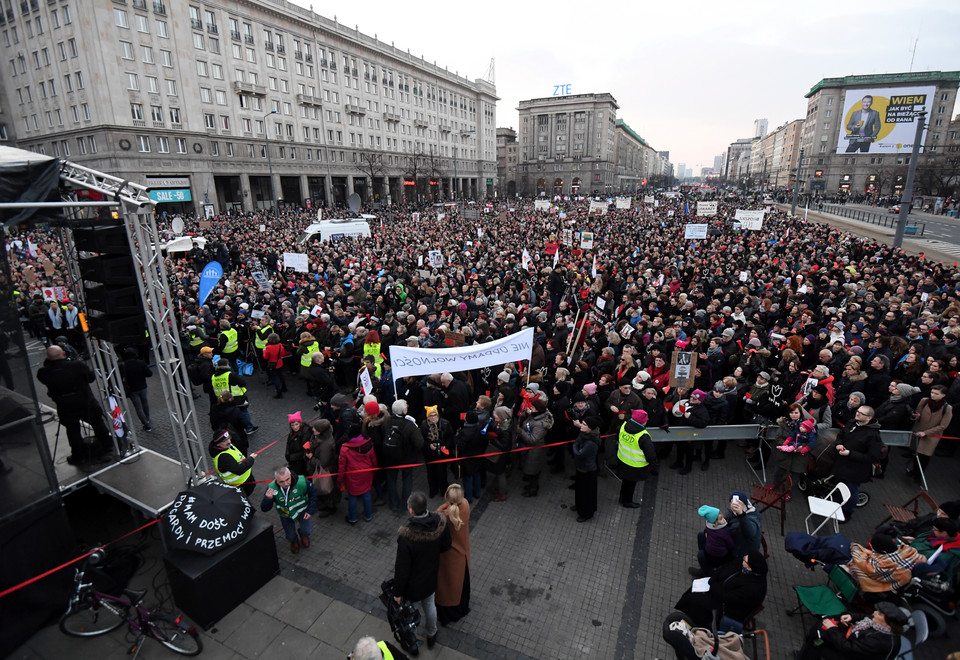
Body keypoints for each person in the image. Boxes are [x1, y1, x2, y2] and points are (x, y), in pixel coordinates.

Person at [393, 491, 452, 653]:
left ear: (411, 510)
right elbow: (446, 546)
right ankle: (432, 634)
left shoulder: (407, 537)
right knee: (430, 606)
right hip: (431, 578)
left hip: (412, 586)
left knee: (408, 613)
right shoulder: (439, 525)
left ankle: (411, 641)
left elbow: (402, 569)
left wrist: (397, 592)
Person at [36, 345, 113, 464]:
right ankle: (107, 446)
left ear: (48, 357)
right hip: (85, 401)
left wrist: (49, 362)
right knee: (97, 423)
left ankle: (78, 455)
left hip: (65, 405)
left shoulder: (44, 372)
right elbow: (90, 378)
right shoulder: (77, 366)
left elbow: (45, 375)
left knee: (73, 431)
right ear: (63, 354)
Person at [675, 551, 768, 630]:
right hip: (718, 589)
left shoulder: (754, 589)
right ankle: (687, 616)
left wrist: (713, 584)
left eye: (745, 561)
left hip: (727, 608)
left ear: (750, 568)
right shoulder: (745, 566)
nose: (742, 560)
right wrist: (714, 578)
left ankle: (693, 625)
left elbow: (727, 598)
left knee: (696, 601)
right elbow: (726, 567)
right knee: (694, 590)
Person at [795, 600, 905, 659]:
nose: (875, 613)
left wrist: (832, 629)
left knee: (817, 646)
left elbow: (847, 647)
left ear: (889, 624)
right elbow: (865, 617)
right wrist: (851, 616)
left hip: (852, 655)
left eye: (879, 614)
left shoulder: (879, 641)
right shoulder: (880, 624)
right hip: (853, 639)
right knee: (819, 631)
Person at [832, 405, 882, 520]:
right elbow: (841, 435)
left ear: (869, 418)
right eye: (858, 411)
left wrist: (850, 453)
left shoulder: (873, 435)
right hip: (842, 463)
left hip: (855, 470)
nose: (857, 414)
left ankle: (847, 513)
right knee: (839, 486)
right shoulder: (851, 423)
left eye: (861, 413)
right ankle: (836, 506)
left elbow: (872, 457)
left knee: (850, 491)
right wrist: (838, 443)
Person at [847, 533, 927, 595]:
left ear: (882, 552)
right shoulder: (909, 550)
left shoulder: (881, 565)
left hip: (892, 585)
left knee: (856, 567)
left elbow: (863, 563)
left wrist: (855, 548)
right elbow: (923, 558)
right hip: (907, 582)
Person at [435, 484, 471, 625]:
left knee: (446, 587)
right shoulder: (466, 506)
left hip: (447, 557)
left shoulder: (443, 517)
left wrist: (444, 506)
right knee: (460, 585)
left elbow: (437, 512)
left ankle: (446, 616)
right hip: (462, 554)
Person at [261, 465, 317, 554]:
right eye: (281, 482)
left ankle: (303, 534)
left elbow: (313, 493)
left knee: (307, 530)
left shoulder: (301, 482)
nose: (286, 484)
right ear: (276, 481)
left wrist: (310, 510)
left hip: (302, 510)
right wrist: (268, 499)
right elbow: (264, 508)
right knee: (290, 536)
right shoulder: (271, 488)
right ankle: (294, 540)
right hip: (285, 514)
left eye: (287, 479)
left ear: (290, 475)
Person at [383, 400, 424, 512]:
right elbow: (419, 443)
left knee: (391, 480)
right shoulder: (409, 425)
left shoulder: (387, 421)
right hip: (406, 457)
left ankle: (394, 504)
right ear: (404, 411)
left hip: (390, 456)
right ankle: (405, 505)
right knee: (407, 480)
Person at [615, 409, 658, 508]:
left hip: (622, 459)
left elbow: (617, 434)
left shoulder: (624, 425)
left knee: (625, 482)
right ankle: (627, 501)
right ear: (644, 421)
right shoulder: (643, 436)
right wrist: (654, 466)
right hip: (635, 465)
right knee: (631, 485)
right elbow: (650, 454)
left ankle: (622, 498)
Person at [338, 427, 378, 524]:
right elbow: (373, 459)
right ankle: (368, 515)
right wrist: (375, 470)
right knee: (366, 493)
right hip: (367, 474)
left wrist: (339, 480)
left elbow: (341, 467)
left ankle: (353, 518)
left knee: (352, 496)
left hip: (352, 477)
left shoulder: (345, 449)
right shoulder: (368, 443)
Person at [304, 418, 340, 516]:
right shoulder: (321, 437)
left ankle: (330, 507)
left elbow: (323, 462)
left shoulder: (326, 445)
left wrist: (311, 458)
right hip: (320, 468)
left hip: (326, 471)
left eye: (315, 429)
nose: (313, 430)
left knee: (327, 489)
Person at [208, 429, 257, 497]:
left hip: (245, 481)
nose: (229, 441)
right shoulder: (223, 457)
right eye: (225, 440)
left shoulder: (225, 447)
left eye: (229, 438)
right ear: (218, 444)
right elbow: (239, 469)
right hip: (240, 486)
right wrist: (251, 459)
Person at [570, 415, 601, 522]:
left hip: (587, 471)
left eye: (584, 424)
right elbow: (578, 441)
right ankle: (579, 506)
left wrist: (575, 444)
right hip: (581, 468)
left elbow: (578, 453)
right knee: (580, 490)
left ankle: (586, 513)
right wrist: (577, 443)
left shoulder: (591, 443)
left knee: (586, 493)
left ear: (590, 428)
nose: (581, 426)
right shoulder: (585, 434)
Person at [689, 505, 734, 578]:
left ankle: (705, 569)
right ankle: (709, 574)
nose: (724, 520)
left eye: (723, 518)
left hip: (712, 552)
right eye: (721, 519)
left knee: (701, 550)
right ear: (715, 522)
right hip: (719, 556)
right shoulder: (724, 532)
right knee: (701, 539)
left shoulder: (709, 526)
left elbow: (706, 531)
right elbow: (731, 544)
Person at [420, 405, 453, 498]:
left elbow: (451, 436)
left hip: (442, 452)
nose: (433, 417)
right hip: (429, 454)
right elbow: (421, 440)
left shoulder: (445, 423)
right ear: (427, 417)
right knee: (431, 472)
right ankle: (433, 490)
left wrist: (446, 445)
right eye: (431, 415)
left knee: (442, 472)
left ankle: (444, 490)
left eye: (435, 415)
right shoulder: (424, 425)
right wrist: (429, 445)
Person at [118, 347, 153, 432]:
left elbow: (120, 378)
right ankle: (147, 418)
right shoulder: (141, 363)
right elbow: (149, 374)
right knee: (145, 402)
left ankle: (146, 424)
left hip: (132, 389)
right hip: (143, 386)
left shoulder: (123, 365)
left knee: (138, 407)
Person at [726, 491, 763, 558]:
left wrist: (741, 514)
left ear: (745, 506)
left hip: (744, 554)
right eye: (732, 503)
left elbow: (750, 532)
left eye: (740, 504)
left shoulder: (752, 518)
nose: (735, 506)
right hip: (737, 546)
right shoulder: (733, 513)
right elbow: (726, 520)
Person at [261, 333, 288, 399]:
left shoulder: (268, 348)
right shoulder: (280, 345)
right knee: (281, 375)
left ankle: (279, 393)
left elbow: (265, 357)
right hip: (279, 363)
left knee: (275, 378)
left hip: (272, 364)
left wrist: (264, 351)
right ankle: (284, 388)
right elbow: (283, 353)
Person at [283, 411, 311, 477]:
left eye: (296, 424)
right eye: (292, 425)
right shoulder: (292, 433)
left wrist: (292, 457)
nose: (294, 427)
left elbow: (305, 450)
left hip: (301, 462)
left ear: (300, 423)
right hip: (294, 460)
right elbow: (288, 444)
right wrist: (287, 454)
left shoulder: (305, 433)